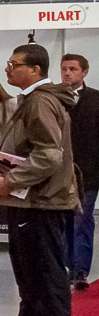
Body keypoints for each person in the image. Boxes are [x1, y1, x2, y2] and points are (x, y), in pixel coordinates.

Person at [0, 43, 78, 316]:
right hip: (31, 202)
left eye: (14, 64)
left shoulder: (40, 101)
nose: (8, 69)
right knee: (28, 270)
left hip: (42, 201)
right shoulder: (32, 100)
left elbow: (49, 155)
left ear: (35, 69)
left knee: (44, 271)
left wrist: (11, 180)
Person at [60, 54, 99, 290]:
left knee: (82, 220)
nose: (67, 73)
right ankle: (65, 266)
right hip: (57, 172)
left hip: (88, 173)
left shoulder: (96, 100)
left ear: (84, 72)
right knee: (62, 220)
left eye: (73, 69)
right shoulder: (53, 97)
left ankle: (80, 270)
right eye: (64, 68)